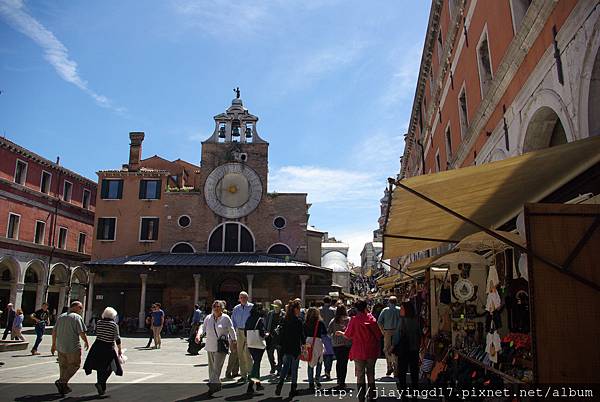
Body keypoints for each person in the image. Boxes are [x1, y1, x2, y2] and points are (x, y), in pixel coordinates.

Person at [336, 299, 382, 402]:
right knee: (371, 374)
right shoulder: (372, 319)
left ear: (356, 309)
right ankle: (372, 396)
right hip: (371, 350)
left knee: (360, 375)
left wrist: (341, 333)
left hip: (358, 351)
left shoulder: (354, 320)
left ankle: (361, 397)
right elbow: (379, 335)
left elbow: (348, 335)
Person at [196, 300, 236, 396]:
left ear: (222, 308)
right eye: (214, 306)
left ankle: (213, 385)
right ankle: (215, 385)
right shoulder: (208, 318)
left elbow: (231, 329)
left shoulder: (226, 318)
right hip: (210, 346)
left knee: (216, 367)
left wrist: (234, 341)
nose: (216, 308)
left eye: (218, 306)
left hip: (221, 347)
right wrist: (198, 335)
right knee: (211, 367)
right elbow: (203, 327)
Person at [51, 301, 89, 396]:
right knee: (75, 365)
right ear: (75, 307)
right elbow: (81, 332)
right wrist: (86, 341)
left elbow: (54, 332)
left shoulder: (61, 316)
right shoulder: (77, 317)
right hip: (73, 347)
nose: (81, 310)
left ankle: (63, 387)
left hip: (61, 346)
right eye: (80, 308)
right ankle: (62, 381)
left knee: (63, 366)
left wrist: (53, 344)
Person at [84, 307, 123, 395]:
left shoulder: (99, 322)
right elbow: (117, 338)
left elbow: (98, 333)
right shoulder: (114, 325)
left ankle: (101, 386)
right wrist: (120, 349)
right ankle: (101, 383)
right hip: (108, 347)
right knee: (110, 367)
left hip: (97, 346)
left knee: (99, 367)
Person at [275, 300, 306, 398]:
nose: (299, 310)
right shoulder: (298, 321)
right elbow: (302, 335)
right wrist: (304, 345)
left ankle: (280, 384)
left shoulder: (284, 319)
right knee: (294, 369)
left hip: (286, 346)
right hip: (295, 347)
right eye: (299, 308)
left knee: (285, 366)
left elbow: (282, 334)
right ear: (295, 309)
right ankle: (293, 389)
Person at [394, 302, 421, 390]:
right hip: (415, 348)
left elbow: (398, 335)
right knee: (414, 371)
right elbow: (420, 334)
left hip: (404, 349)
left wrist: (393, 346)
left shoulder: (402, 321)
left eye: (402, 309)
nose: (400, 311)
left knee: (402, 371)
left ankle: (403, 390)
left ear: (406, 310)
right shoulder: (417, 320)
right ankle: (415, 389)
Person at [231, 291, 253, 383]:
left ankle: (250, 374)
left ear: (247, 298)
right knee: (240, 353)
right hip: (239, 331)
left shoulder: (252, 307)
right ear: (239, 299)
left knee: (247, 354)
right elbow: (233, 321)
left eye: (244, 297)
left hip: (249, 331)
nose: (242, 299)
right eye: (241, 297)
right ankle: (243, 375)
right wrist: (233, 333)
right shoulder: (236, 308)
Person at [328, 304, 352, 389]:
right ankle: (342, 381)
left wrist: (333, 336)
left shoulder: (333, 320)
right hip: (346, 344)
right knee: (344, 363)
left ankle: (338, 379)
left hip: (336, 344)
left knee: (339, 362)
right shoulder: (349, 320)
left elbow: (328, 332)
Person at [245, 303, 266, 394]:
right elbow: (262, 333)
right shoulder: (260, 319)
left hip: (250, 343)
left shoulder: (248, 318)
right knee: (256, 364)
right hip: (258, 344)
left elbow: (245, 332)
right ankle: (250, 385)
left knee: (256, 363)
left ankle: (258, 384)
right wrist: (266, 334)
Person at [378, 296, 401, 376]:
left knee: (387, 350)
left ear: (389, 302)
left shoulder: (385, 310)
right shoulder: (399, 309)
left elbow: (379, 322)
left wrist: (383, 331)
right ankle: (396, 369)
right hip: (397, 332)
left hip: (387, 331)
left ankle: (389, 367)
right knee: (397, 350)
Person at [304, 307, 327, 391]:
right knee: (319, 361)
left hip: (308, 342)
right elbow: (325, 332)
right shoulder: (320, 322)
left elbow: (303, 333)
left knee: (310, 362)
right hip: (317, 342)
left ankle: (310, 383)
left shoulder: (305, 322)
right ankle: (317, 379)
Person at [265, 299, 285, 375]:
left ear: (280, 307)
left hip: (279, 338)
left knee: (280, 355)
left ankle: (279, 369)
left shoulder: (283, 314)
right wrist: (266, 332)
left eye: (277, 306)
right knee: (270, 353)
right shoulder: (270, 314)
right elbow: (266, 324)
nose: (275, 308)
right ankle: (273, 367)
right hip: (270, 337)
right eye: (274, 306)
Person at [319, 297, 336, 381]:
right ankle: (327, 370)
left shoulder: (319, 310)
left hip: (319, 334)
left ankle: (320, 370)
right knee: (329, 353)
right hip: (329, 335)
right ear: (330, 302)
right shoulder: (333, 310)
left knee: (321, 353)